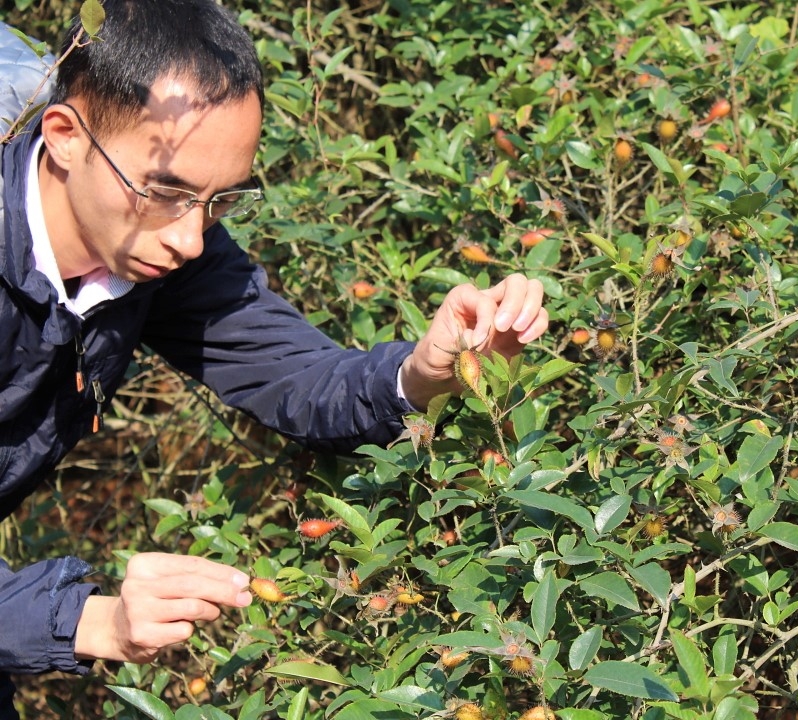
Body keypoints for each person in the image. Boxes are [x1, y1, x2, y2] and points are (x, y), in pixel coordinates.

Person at [0, 1, 548, 715]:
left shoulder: (157, 253)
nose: (192, 239)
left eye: (219, 201)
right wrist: (87, 620)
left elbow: (293, 373)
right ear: (66, 136)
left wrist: (422, 372)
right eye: (166, 192)